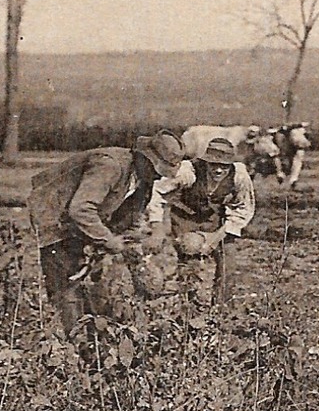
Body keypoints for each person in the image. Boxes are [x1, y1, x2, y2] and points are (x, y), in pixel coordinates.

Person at [28, 130, 185, 337]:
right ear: (144, 158)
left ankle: (97, 334)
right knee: (66, 282)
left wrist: (131, 245)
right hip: (55, 215)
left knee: (95, 277)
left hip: (85, 219)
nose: (159, 176)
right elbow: (81, 209)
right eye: (157, 169)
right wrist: (109, 240)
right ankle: (73, 343)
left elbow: (131, 218)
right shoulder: (109, 166)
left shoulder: (142, 180)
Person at [156, 135, 256, 306]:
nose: (218, 170)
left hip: (216, 221)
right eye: (213, 164)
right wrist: (156, 224)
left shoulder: (239, 176)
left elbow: (243, 208)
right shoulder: (187, 172)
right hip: (186, 219)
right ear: (206, 161)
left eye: (223, 166)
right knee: (190, 253)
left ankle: (221, 307)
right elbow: (157, 192)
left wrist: (215, 239)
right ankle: (189, 305)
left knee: (228, 259)